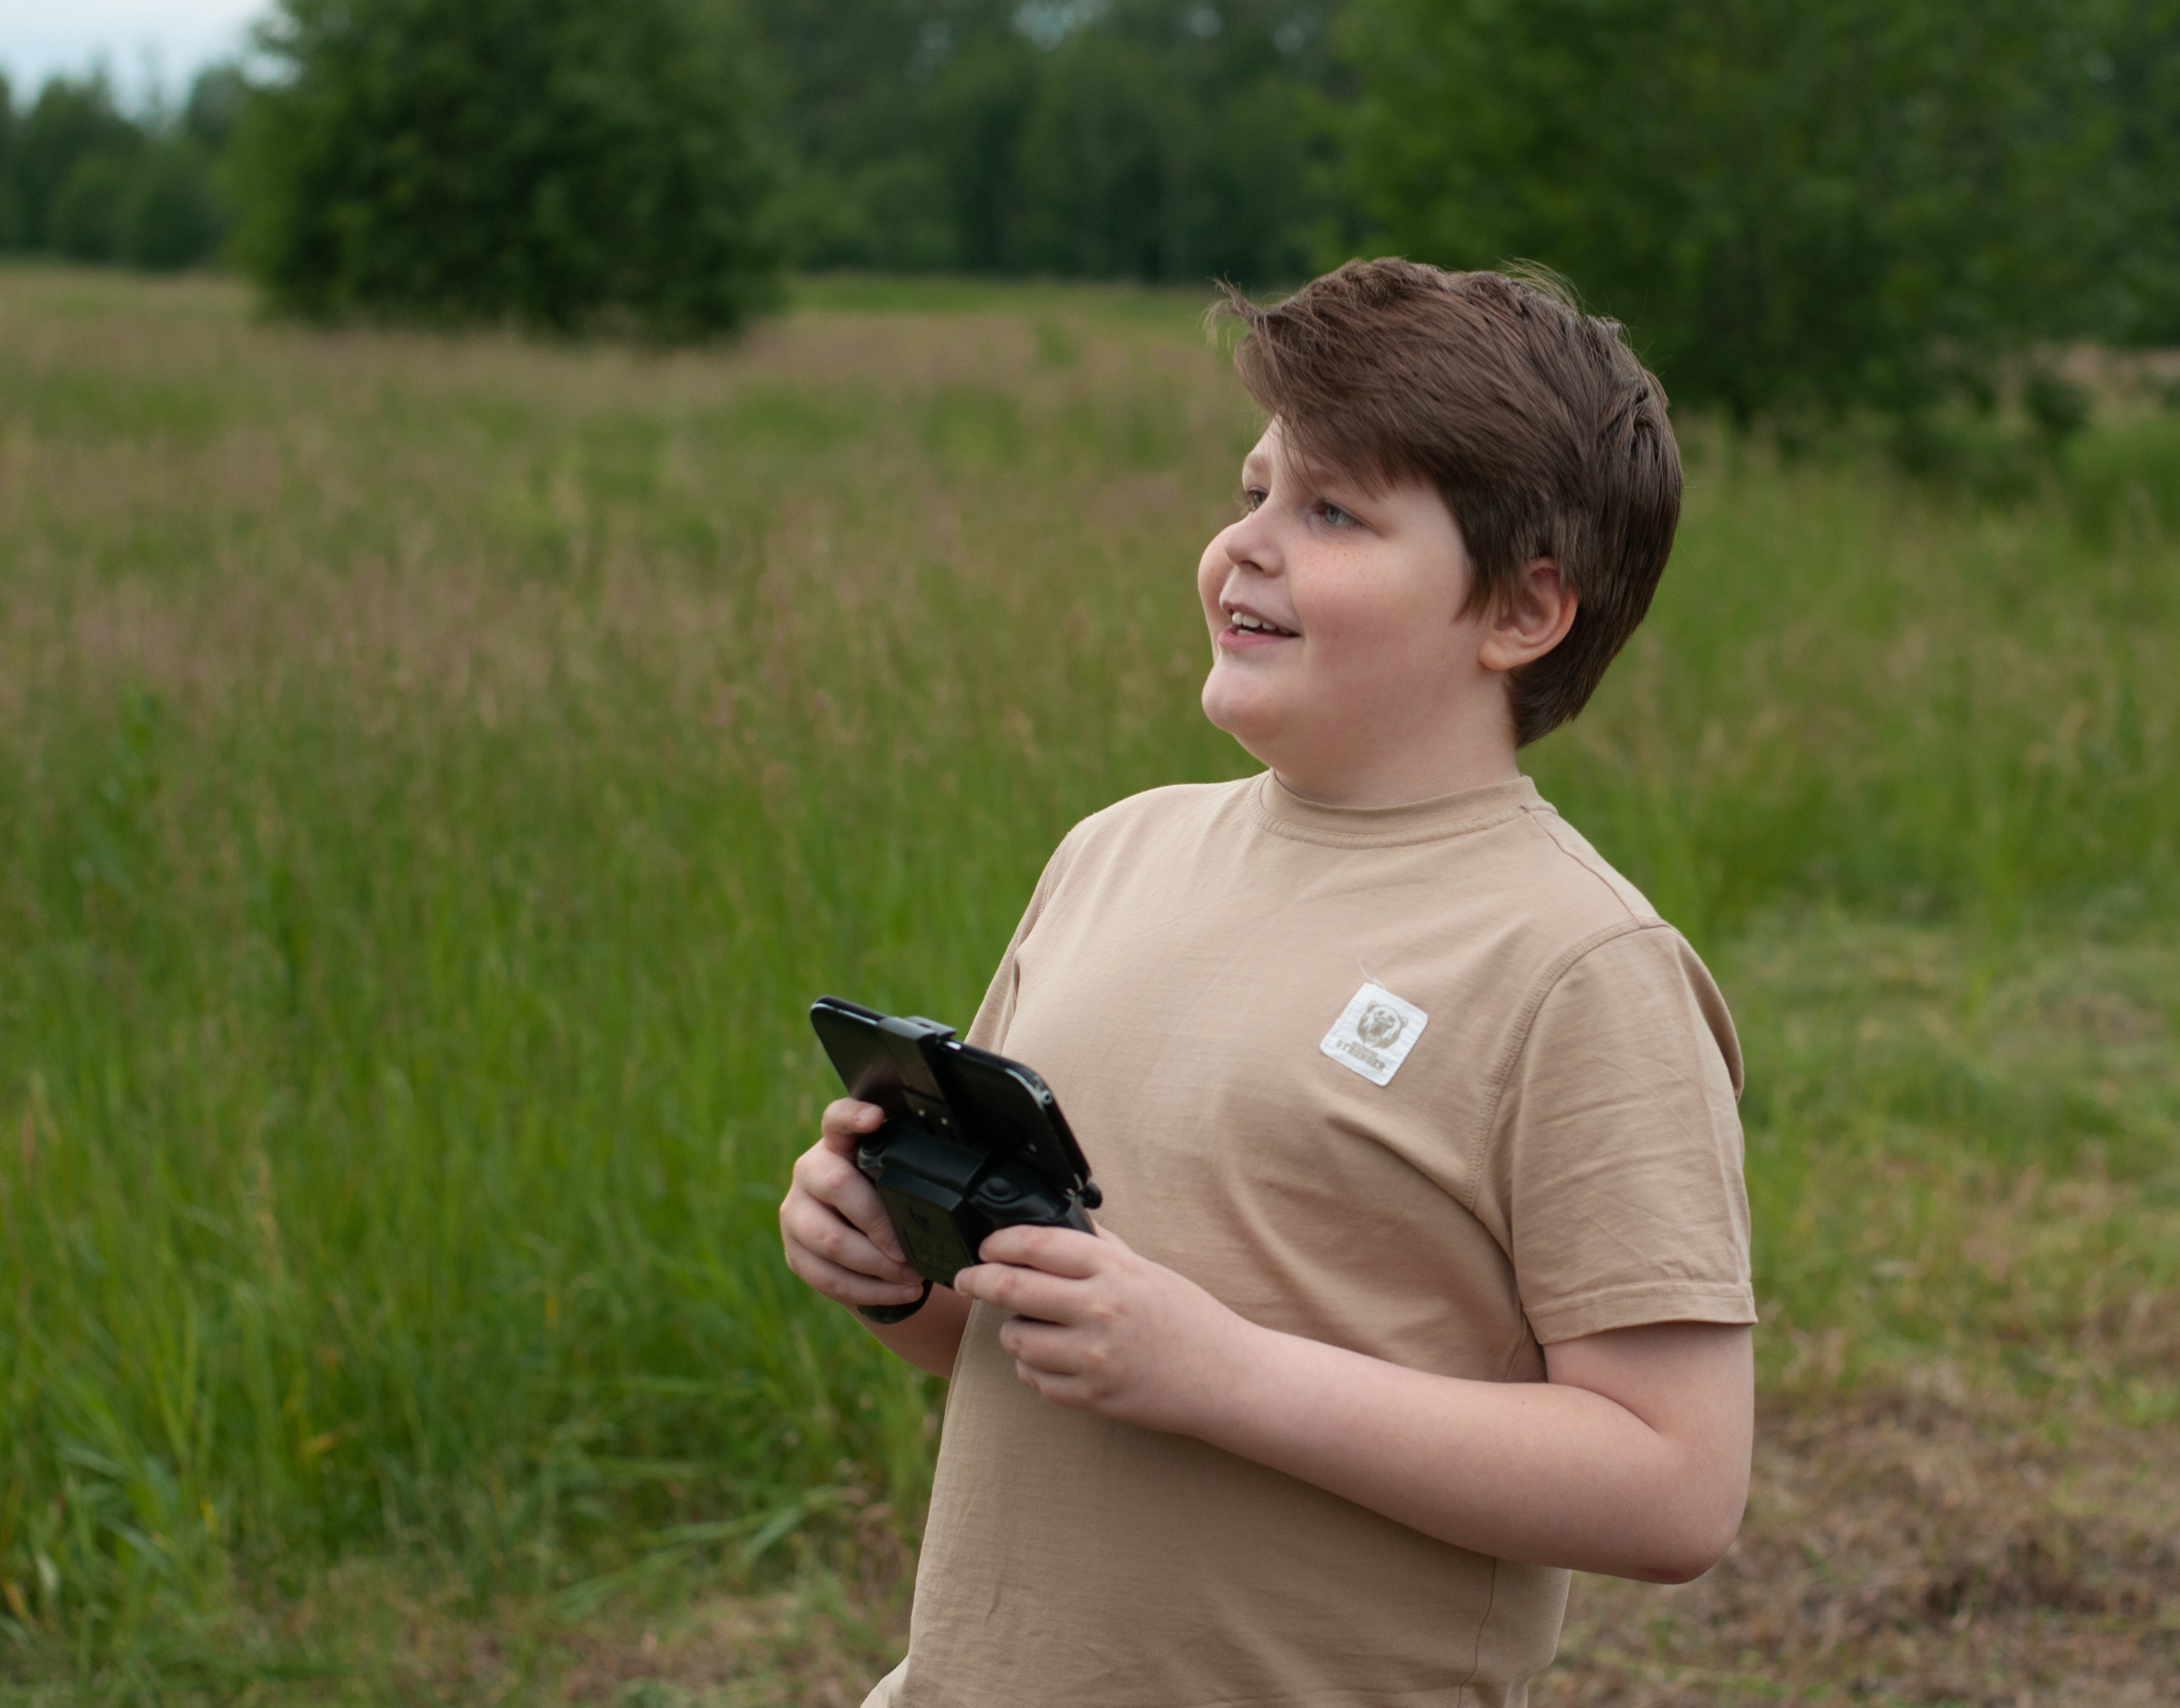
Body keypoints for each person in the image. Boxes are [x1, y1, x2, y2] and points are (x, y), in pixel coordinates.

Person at [780, 258, 1756, 1708]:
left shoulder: (1575, 967)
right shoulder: (1116, 851)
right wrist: (889, 1259)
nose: (1246, 547)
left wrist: (1226, 1372)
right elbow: (990, 1325)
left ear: (1524, 607)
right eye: (1251, 492)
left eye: (1333, 511)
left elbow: (1673, 1486)